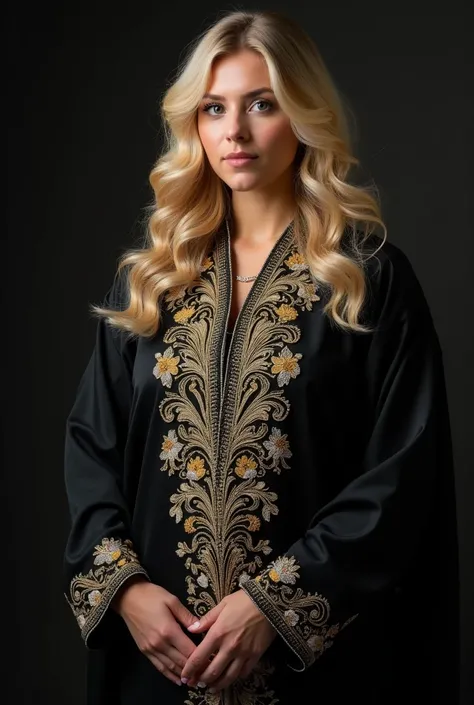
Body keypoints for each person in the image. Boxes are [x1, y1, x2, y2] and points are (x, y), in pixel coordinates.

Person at [62, 9, 459, 705]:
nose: (234, 132)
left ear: (303, 115)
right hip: (159, 667)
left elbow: (401, 477)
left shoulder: (365, 279)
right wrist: (125, 591)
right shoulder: (152, 282)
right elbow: (92, 448)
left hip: (318, 671)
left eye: (261, 104)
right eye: (213, 108)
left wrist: (273, 604)